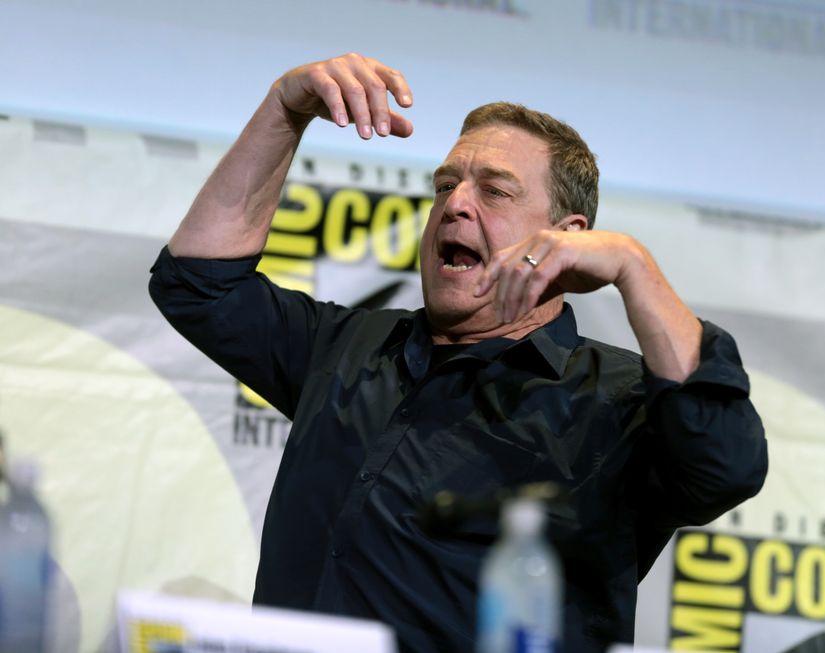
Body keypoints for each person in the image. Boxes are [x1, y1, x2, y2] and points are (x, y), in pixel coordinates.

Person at [149, 53, 767, 652]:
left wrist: (635, 267)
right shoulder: (345, 347)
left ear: (568, 239)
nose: (455, 204)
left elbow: (725, 465)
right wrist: (285, 109)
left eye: (494, 191)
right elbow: (197, 286)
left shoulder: (619, 400)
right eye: (446, 185)